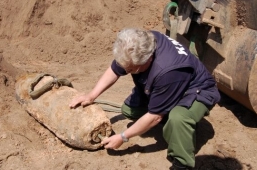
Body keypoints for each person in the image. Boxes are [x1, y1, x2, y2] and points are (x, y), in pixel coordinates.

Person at [69, 28, 221, 170]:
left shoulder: (168, 71)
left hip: (196, 91)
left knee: (177, 119)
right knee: (129, 110)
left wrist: (123, 137)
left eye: (130, 69)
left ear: (146, 60)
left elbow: (154, 117)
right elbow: (115, 69)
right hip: (166, 85)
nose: (126, 72)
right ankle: (170, 116)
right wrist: (91, 95)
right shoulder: (139, 42)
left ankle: (182, 162)